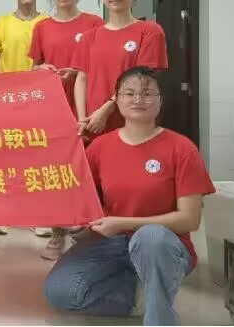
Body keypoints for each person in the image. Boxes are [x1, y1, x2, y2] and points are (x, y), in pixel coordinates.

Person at [44, 66, 215, 326]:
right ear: (117, 99)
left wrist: (123, 223)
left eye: (147, 93)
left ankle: (159, 316)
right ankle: (140, 296)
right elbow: (79, 195)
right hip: (110, 241)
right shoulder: (101, 146)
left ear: (160, 101)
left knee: (150, 237)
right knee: (59, 292)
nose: (138, 99)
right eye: (129, 93)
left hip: (163, 243)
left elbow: (190, 219)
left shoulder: (182, 149)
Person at [29, 0, 104, 259]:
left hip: (88, 108)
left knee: (88, 173)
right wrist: (42, 69)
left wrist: (78, 71)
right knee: (56, 173)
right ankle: (57, 234)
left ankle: (90, 233)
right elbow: (34, 67)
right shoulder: (42, 27)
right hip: (52, 110)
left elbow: (102, 63)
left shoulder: (94, 23)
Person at [72, 0, 168, 141]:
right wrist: (82, 120)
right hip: (93, 124)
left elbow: (142, 79)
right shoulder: (89, 37)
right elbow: (82, 78)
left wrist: (106, 109)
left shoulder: (150, 31)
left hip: (133, 121)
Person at [0, 0, 48, 235]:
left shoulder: (48, 23)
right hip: (6, 101)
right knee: (5, 157)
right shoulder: (2, 23)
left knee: (35, 158)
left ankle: (37, 216)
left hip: (37, 100)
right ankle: (3, 214)